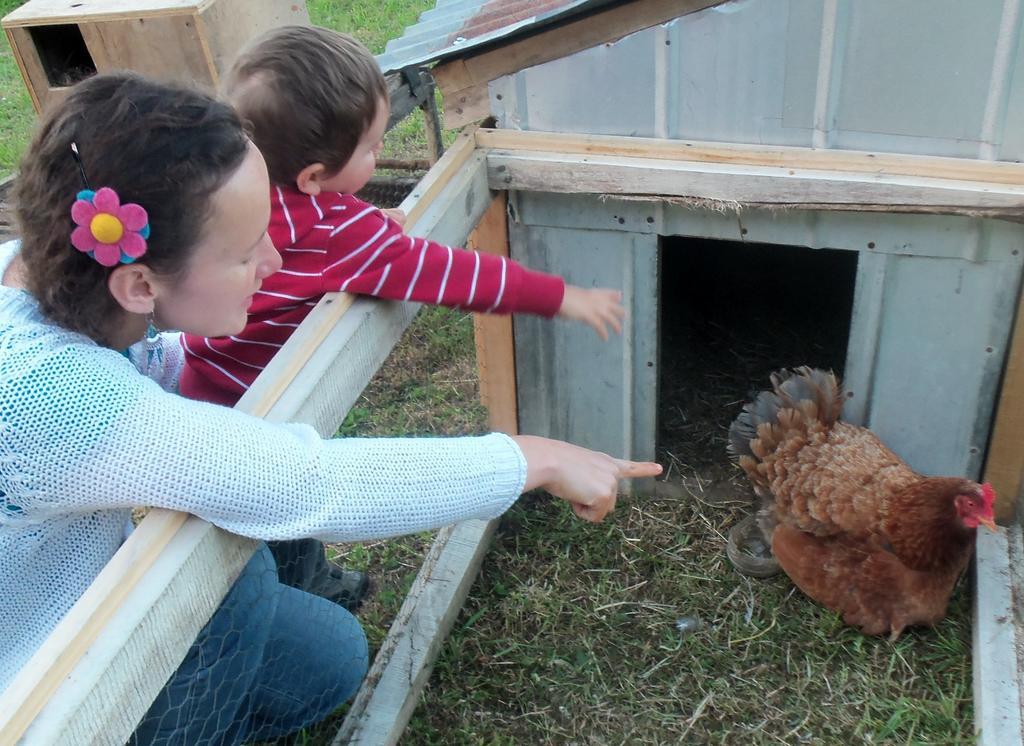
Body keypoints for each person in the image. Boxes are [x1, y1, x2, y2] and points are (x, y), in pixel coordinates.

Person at [0, 72, 661, 744]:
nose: (275, 257)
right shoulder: (51, 398)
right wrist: (531, 458)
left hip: (67, 613)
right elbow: (301, 483)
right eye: (243, 251)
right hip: (33, 691)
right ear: (139, 283)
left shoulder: (47, 285)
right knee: (242, 581)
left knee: (330, 658)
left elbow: (151, 366)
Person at [176, 24, 630, 609]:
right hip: (257, 411)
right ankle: (294, 587)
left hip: (203, 384)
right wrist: (561, 296)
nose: (380, 153)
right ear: (314, 175)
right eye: (372, 148)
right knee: (264, 512)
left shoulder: (242, 197)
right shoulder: (338, 232)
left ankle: (292, 577)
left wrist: (361, 220)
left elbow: (319, 226)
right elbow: (456, 275)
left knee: (252, 517)